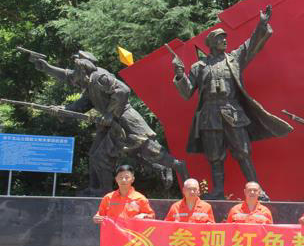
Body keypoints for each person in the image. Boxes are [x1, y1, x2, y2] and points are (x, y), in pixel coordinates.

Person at [172, 6, 292, 199]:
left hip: (232, 111)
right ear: (212, 43)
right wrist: (179, 75)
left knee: (243, 152)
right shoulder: (199, 67)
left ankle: (257, 190)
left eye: (225, 38)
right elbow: (187, 92)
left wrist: (261, 24)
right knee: (214, 156)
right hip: (210, 115)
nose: (225, 41)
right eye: (221, 38)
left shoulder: (234, 59)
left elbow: (251, 44)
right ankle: (218, 192)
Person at [33, 51, 188, 196]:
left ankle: (178, 167)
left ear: (83, 68)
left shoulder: (100, 77)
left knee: (151, 151)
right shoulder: (88, 83)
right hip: (110, 125)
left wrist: (109, 113)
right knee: (96, 155)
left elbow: (123, 90)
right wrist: (64, 109)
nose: (73, 77)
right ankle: (98, 190)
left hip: (126, 120)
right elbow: (82, 100)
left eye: (75, 70)